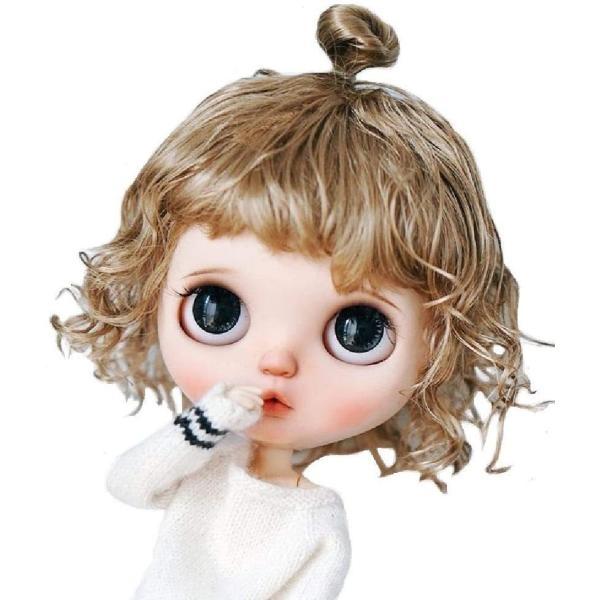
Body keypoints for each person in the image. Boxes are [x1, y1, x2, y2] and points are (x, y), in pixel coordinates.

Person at [50, 4, 551, 599]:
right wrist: (206, 424)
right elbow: (130, 484)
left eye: (358, 330)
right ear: (155, 283)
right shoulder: (205, 460)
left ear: (436, 346)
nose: (276, 361)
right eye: (218, 309)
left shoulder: (313, 520)